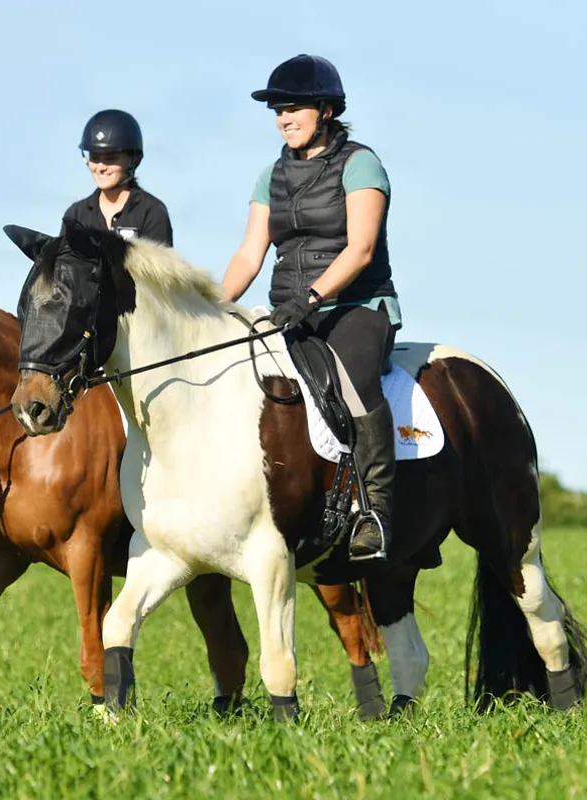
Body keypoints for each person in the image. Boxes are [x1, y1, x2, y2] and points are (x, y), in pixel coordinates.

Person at [221, 54, 401, 559]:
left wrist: (313, 296)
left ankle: (376, 512)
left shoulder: (361, 163)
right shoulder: (270, 176)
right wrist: (212, 307)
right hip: (288, 310)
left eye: (293, 107)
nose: (283, 118)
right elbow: (250, 252)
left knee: (350, 381)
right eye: (278, 110)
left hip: (357, 305)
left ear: (325, 109)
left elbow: (361, 248)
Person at [64, 109, 173, 246]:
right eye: (95, 158)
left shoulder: (151, 212)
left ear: (133, 160)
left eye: (111, 158)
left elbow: (159, 266)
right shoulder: (76, 215)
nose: (101, 167)